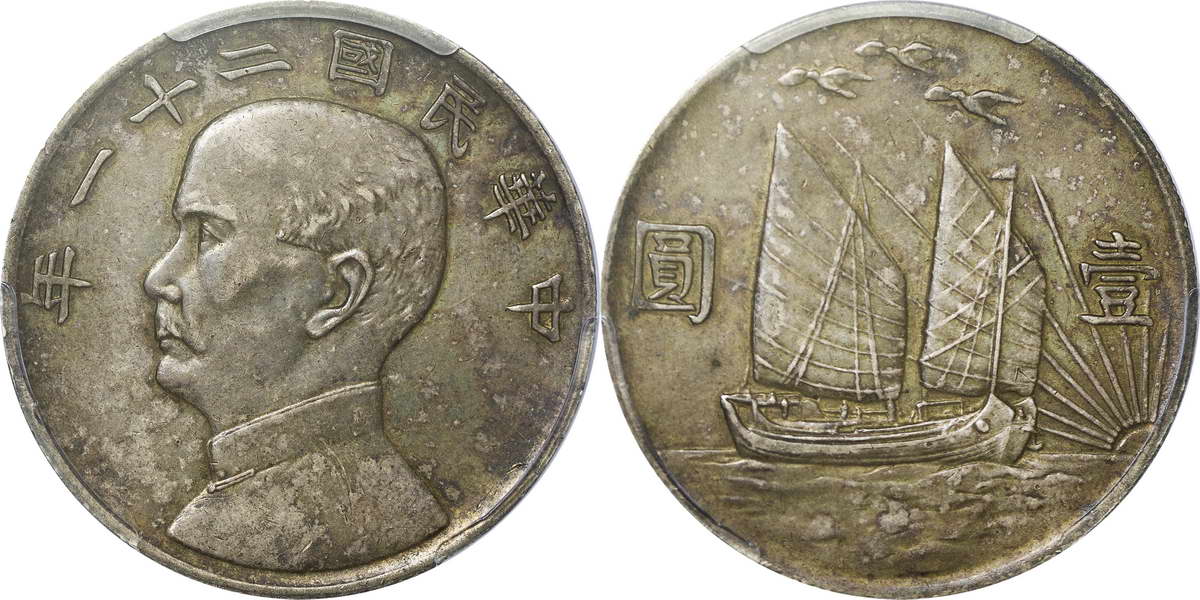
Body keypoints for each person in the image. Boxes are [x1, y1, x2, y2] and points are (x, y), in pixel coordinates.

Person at [143, 99, 449, 571]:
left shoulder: (318, 516)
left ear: (336, 294)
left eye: (210, 235)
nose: (158, 279)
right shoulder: (258, 503)